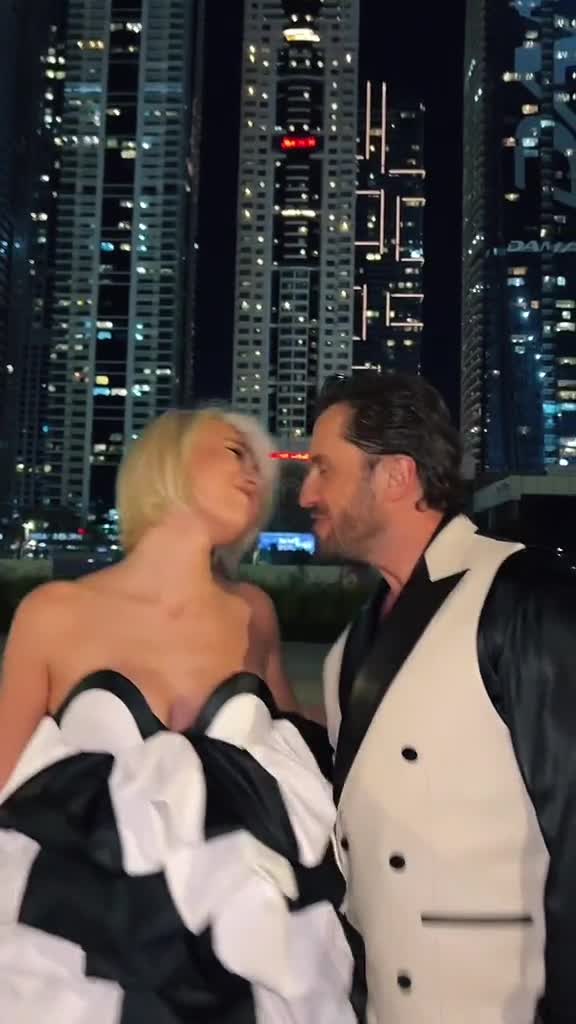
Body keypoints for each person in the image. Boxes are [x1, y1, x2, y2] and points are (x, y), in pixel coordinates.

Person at [0, 407, 364, 1022]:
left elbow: (304, 759)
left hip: (249, 959)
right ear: (166, 463)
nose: (255, 475)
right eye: (235, 453)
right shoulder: (52, 612)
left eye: (260, 467)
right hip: (80, 961)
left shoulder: (254, 614)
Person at [300, 370, 576, 1024]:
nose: (307, 493)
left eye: (324, 469)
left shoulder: (522, 596)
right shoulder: (347, 648)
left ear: (396, 475)